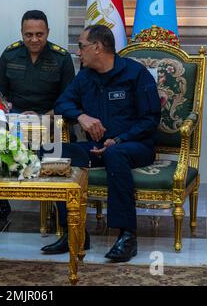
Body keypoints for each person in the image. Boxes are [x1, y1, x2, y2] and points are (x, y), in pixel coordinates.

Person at [40, 25, 161, 262]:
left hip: (135, 146)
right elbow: (62, 103)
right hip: (98, 148)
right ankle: (73, 232)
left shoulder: (136, 74)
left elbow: (150, 119)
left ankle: (127, 236)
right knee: (52, 153)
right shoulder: (85, 77)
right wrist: (82, 117)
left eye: (81, 46)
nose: (78, 52)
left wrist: (118, 139)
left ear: (97, 47)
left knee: (116, 153)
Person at [0, 10, 76, 219]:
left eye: (39, 34)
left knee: (56, 144)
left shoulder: (61, 58)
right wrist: (9, 109)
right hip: (16, 117)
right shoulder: (9, 54)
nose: (34, 39)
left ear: (48, 32)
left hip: (51, 118)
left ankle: (58, 207)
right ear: (21, 33)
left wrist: (41, 118)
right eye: (28, 34)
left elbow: (70, 101)